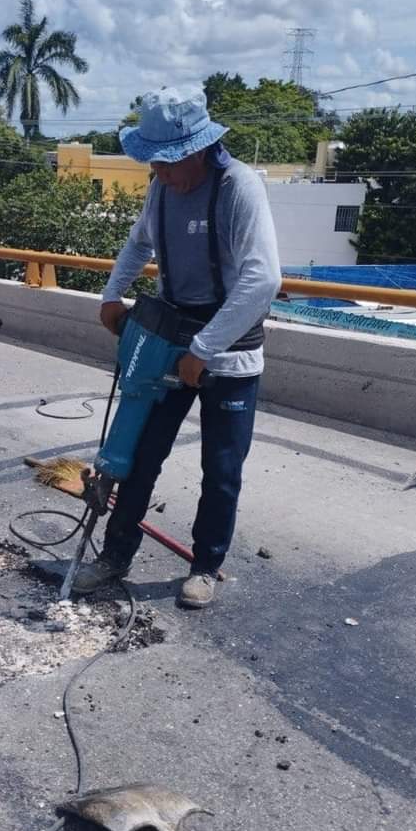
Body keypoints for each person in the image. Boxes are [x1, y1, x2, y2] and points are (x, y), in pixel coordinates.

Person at [73, 85, 281, 608]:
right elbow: (139, 241)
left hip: (228, 351)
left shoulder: (238, 188)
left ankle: (206, 566)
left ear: (196, 149)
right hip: (169, 339)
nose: (158, 174)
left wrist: (205, 349)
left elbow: (262, 280)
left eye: (165, 162)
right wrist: (111, 295)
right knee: (139, 454)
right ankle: (115, 555)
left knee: (222, 467)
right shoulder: (163, 188)